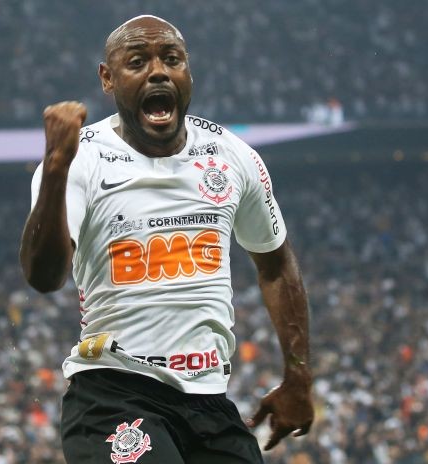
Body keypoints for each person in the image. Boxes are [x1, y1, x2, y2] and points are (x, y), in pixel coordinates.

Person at [20, 15, 313, 463]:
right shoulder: (80, 160)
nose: (158, 71)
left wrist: (298, 377)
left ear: (187, 72)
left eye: (171, 59)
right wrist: (57, 167)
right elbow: (43, 277)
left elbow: (276, 264)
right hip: (114, 393)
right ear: (107, 78)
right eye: (137, 61)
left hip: (210, 399)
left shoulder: (232, 156)